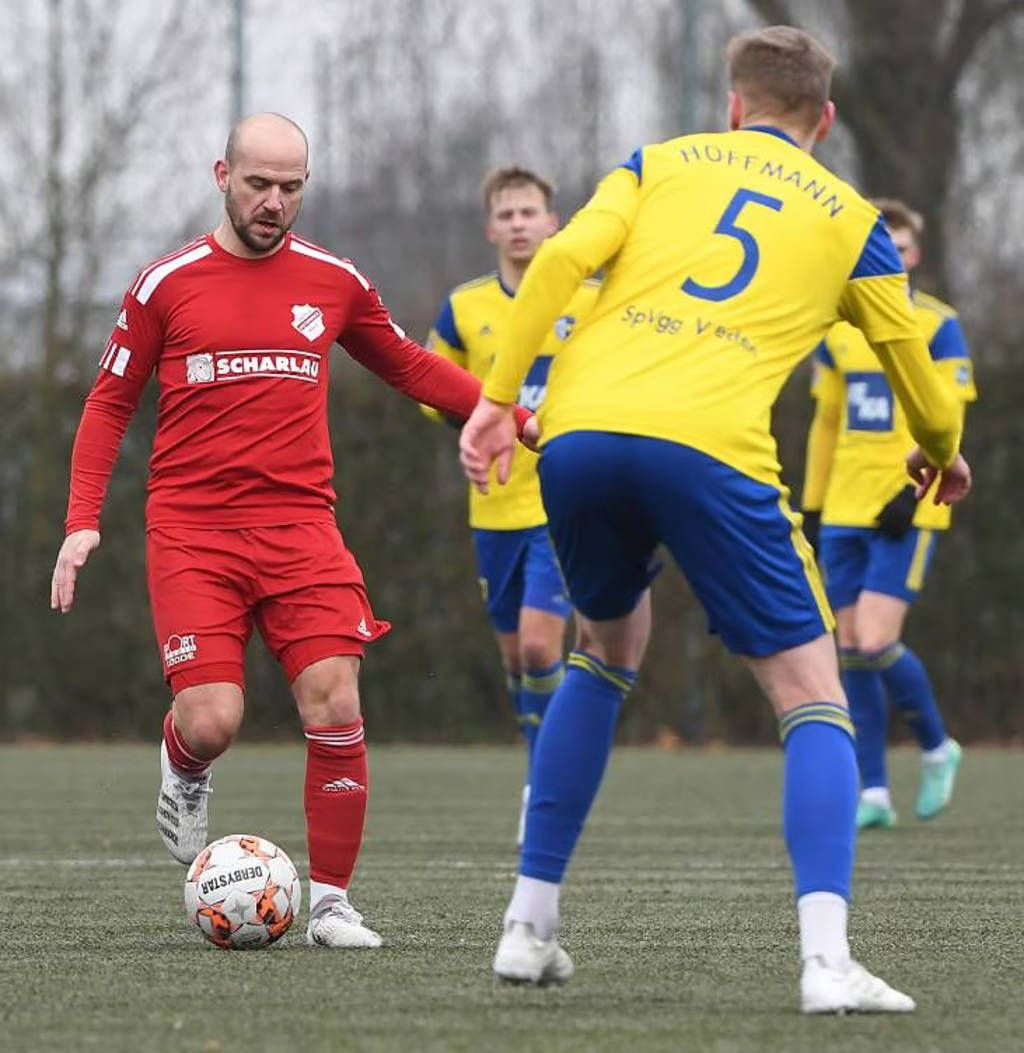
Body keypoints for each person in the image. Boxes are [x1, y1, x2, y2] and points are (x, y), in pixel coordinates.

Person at [459, 26, 971, 1012]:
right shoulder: (851, 218)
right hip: (705, 448)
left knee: (604, 649)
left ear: (733, 105)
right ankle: (827, 964)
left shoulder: (658, 161)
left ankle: (528, 926)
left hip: (577, 435)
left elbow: (562, 260)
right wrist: (941, 455)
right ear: (822, 123)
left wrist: (495, 395)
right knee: (811, 688)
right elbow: (924, 384)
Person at [49, 113, 532, 950]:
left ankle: (333, 904)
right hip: (194, 532)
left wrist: (511, 413)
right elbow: (109, 402)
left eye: (291, 187)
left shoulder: (334, 280)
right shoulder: (166, 283)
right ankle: (185, 763)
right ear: (221, 176)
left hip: (303, 529)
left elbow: (408, 365)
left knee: (335, 697)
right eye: (259, 184)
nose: (274, 202)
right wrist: (81, 521)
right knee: (213, 720)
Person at [425, 167, 599, 842]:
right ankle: (542, 765)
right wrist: (469, 423)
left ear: (554, 223)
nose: (520, 222)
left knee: (537, 644)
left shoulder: (587, 299)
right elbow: (429, 382)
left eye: (532, 211)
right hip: (493, 506)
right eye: (508, 213)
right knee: (514, 656)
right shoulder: (464, 307)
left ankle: (547, 783)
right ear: (490, 228)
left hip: (562, 501)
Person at [802, 199, 976, 829]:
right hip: (844, 505)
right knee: (849, 649)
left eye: (902, 249)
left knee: (876, 640)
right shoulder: (837, 330)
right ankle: (873, 790)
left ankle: (937, 746)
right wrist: (814, 507)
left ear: (915, 255)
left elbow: (949, 412)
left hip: (910, 504)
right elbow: (825, 425)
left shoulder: (937, 325)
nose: (893, 258)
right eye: (883, 247)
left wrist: (911, 493)